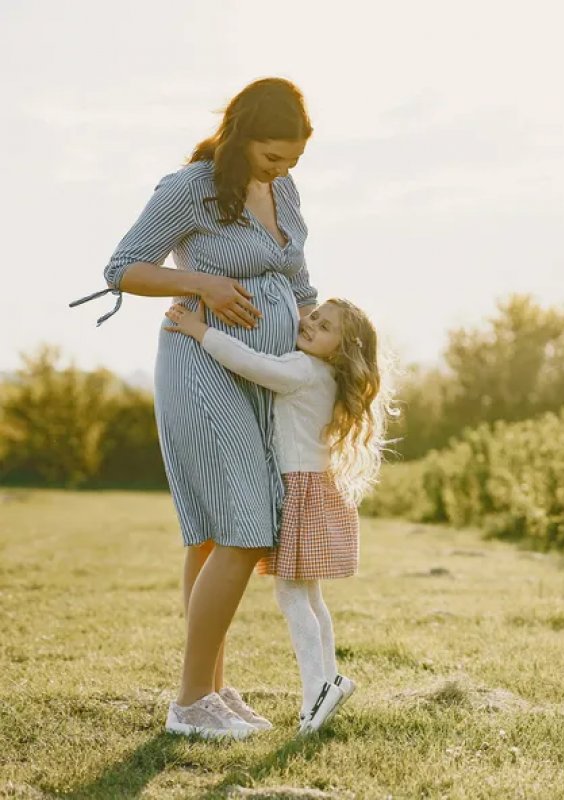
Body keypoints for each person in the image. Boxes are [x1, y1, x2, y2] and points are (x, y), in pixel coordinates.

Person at [74, 78, 318, 739]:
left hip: (261, 378)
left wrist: (327, 351)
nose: (282, 170)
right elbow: (123, 267)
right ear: (242, 138)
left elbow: (298, 282)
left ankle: (211, 688)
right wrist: (203, 283)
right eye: (272, 157)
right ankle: (188, 704)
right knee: (245, 528)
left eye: (293, 159)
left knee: (212, 533)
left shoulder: (285, 191)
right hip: (201, 366)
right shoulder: (191, 187)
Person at [165, 297, 388, 733]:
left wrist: (199, 330)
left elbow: (249, 363)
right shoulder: (325, 374)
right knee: (311, 597)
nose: (311, 323)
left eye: (325, 327)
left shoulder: (302, 370)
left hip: (297, 492)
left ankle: (316, 691)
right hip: (316, 488)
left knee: (291, 596)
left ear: (341, 350)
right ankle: (329, 680)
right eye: (315, 316)